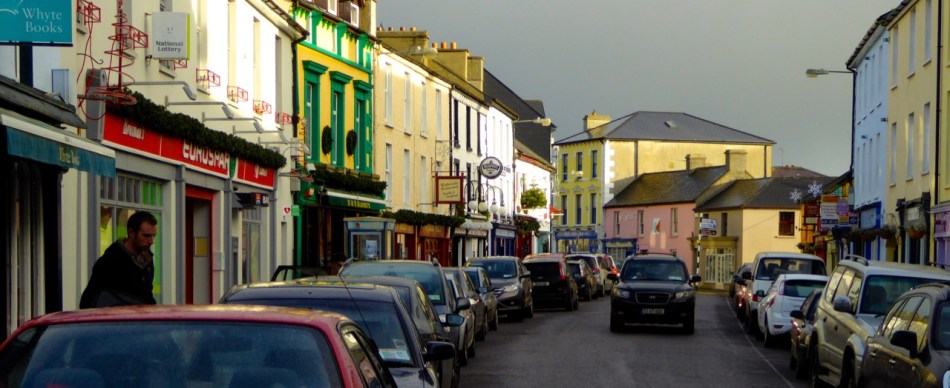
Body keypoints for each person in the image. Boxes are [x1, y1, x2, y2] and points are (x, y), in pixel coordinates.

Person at [80, 210, 159, 308]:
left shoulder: (147, 260)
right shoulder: (110, 261)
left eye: (153, 235)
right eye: (146, 236)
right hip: (115, 320)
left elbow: (146, 295)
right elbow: (93, 299)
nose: (151, 241)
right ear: (131, 233)